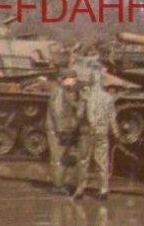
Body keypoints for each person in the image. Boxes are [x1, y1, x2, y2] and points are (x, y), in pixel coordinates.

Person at [73, 68, 122, 201]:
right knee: (102, 161)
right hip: (102, 132)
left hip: (87, 132)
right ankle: (103, 189)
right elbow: (112, 117)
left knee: (84, 160)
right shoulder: (108, 98)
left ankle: (80, 189)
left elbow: (79, 115)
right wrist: (116, 133)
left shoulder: (85, 95)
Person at [45, 68, 80, 195]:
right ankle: (58, 186)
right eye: (72, 78)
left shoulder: (62, 91)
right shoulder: (60, 92)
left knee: (61, 157)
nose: (75, 81)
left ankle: (59, 183)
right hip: (57, 131)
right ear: (65, 80)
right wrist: (62, 131)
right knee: (59, 157)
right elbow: (58, 113)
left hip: (59, 129)